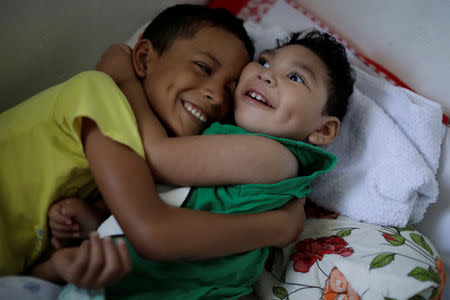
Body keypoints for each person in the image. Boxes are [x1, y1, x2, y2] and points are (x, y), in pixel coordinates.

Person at [0, 4, 307, 283]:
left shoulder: (134, 157)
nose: (216, 95)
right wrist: (276, 227)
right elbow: (152, 232)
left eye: (231, 89)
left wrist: (54, 268)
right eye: (203, 67)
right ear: (144, 57)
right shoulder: (98, 93)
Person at [51, 29, 355, 299]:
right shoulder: (226, 136)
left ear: (323, 130)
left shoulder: (274, 155)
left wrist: (124, 82)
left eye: (295, 77)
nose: (266, 74)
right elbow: (173, 196)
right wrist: (100, 219)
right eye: (264, 61)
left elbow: (158, 158)